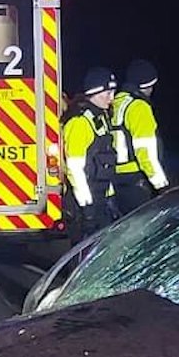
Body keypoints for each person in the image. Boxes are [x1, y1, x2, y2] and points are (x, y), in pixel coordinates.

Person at [62, 66, 121, 236]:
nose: (112, 98)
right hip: (84, 204)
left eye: (113, 92)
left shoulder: (100, 117)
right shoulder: (79, 122)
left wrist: (110, 197)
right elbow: (74, 168)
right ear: (93, 93)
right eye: (107, 93)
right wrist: (87, 207)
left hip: (101, 197)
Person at [110, 59, 169, 215]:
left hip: (115, 179)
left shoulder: (117, 102)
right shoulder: (139, 108)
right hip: (136, 180)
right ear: (148, 85)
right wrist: (162, 186)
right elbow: (145, 153)